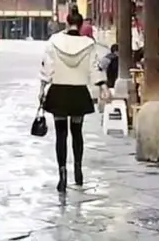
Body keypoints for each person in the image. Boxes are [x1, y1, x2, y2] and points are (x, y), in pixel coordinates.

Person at [39, 10, 108, 193]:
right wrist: (102, 86)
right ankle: (78, 169)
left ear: (67, 22)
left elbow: (47, 68)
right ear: (80, 24)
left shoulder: (53, 42)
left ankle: (62, 173)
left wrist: (42, 89)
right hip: (78, 92)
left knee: (61, 134)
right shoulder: (89, 44)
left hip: (59, 91)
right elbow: (95, 67)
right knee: (77, 132)